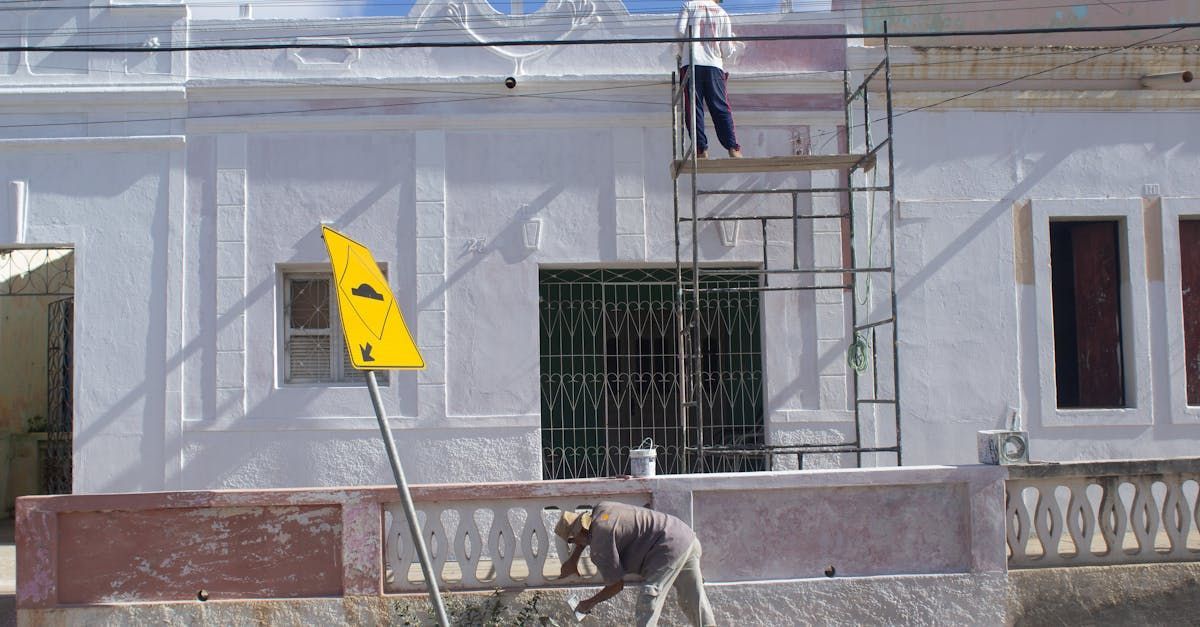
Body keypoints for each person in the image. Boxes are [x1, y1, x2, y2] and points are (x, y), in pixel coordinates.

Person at [556, 501, 716, 626]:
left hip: (667, 549)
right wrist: (573, 560)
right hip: (686, 537)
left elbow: (616, 586)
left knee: (648, 600)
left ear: (577, 534)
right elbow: (585, 533)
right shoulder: (601, 508)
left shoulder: (600, 545)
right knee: (693, 598)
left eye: (571, 540)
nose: (573, 544)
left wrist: (588, 604)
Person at [676, 0, 743, 159]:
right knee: (720, 107)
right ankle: (733, 148)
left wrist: (683, 51)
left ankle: (701, 150)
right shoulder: (722, 13)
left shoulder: (689, 6)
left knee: (693, 108)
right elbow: (726, 50)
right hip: (714, 65)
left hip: (691, 63)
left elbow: (679, 32)